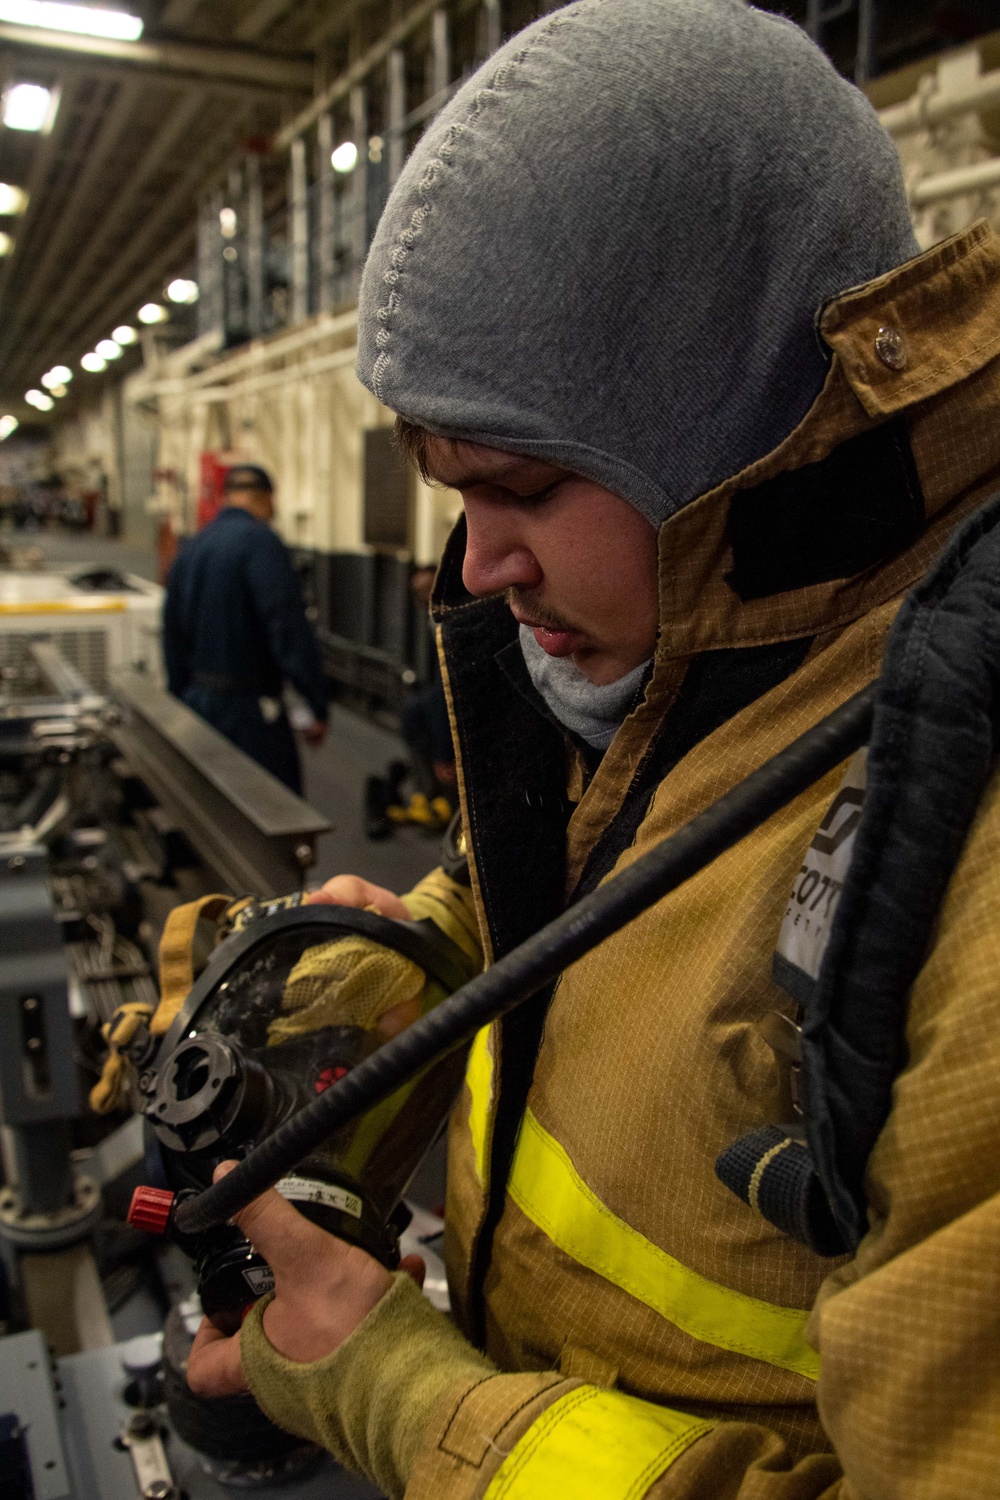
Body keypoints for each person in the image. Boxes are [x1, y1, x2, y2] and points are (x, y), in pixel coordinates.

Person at [186, 2, 1000, 1496]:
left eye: (527, 487)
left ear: (738, 428)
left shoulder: (973, 866)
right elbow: (607, 893)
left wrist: (394, 1387)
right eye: (449, 490)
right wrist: (419, 968)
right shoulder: (685, 654)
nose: (479, 564)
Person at [163, 463, 328, 794]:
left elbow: (171, 631)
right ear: (266, 498)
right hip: (251, 713)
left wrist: (179, 695)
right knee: (273, 807)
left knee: (210, 806)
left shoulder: (192, 547)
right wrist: (315, 703)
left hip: (198, 702)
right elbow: (287, 629)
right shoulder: (261, 543)